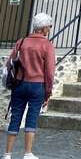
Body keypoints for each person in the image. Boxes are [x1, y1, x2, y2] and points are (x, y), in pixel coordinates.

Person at [3, 13, 56, 159]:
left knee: (15, 117)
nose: (49, 29)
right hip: (37, 86)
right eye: (49, 26)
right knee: (31, 118)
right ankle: (27, 153)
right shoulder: (47, 45)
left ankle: (7, 154)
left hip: (19, 84)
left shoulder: (21, 42)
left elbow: (10, 63)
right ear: (44, 28)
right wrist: (48, 92)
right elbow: (50, 72)